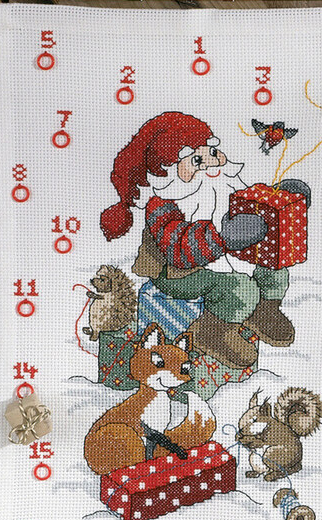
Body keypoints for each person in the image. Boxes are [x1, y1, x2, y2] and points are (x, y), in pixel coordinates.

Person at [100, 111, 310, 370]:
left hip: (223, 255)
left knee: (275, 263)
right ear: (166, 171)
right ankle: (212, 332)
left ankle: (264, 310)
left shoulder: (224, 184)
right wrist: (222, 238)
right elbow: (178, 249)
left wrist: (281, 201)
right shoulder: (163, 204)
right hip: (178, 273)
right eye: (196, 160)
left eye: (212, 152)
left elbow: (249, 207)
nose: (211, 165)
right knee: (239, 287)